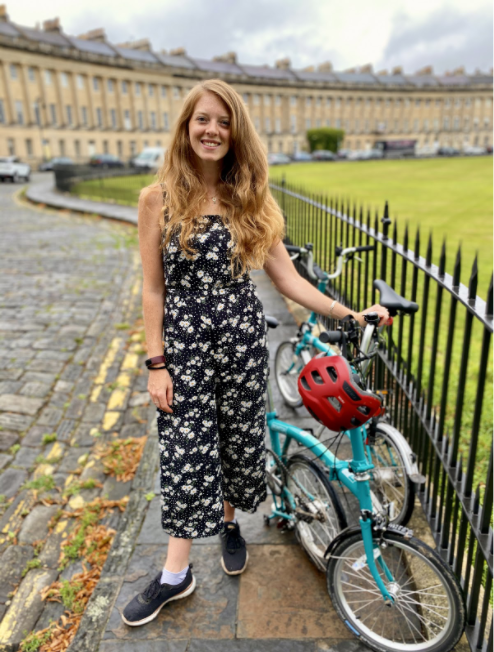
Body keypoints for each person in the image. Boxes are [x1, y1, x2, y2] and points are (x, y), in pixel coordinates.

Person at [122, 79, 389, 627]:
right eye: (202, 119)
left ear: (236, 133)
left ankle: (228, 524)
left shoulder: (251, 199)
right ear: (186, 127)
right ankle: (177, 573)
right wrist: (157, 363)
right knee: (185, 452)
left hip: (242, 343)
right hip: (184, 349)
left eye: (223, 122)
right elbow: (153, 289)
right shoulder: (158, 199)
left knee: (238, 442)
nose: (212, 130)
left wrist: (346, 314)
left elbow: (286, 278)